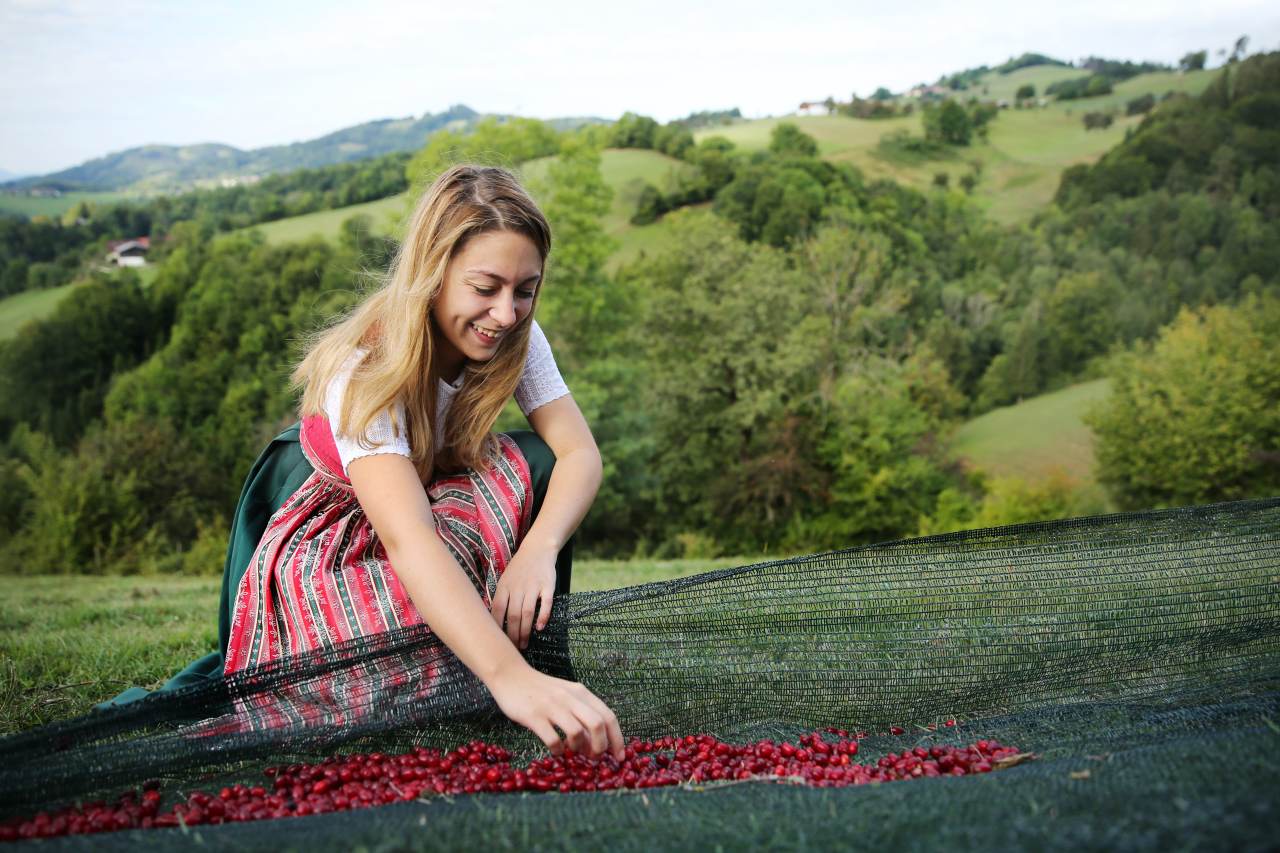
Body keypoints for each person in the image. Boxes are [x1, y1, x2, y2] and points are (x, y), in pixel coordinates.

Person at [106, 165, 624, 763]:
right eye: (485, 288)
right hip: (335, 518)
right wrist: (506, 678)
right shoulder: (366, 367)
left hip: (432, 490)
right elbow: (409, 540)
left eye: (525, 289)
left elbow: (579, 454)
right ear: (431, 275)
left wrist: (538, 551)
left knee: (536, 462)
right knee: (379, 666)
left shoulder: (518, 338)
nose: (506, 314)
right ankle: (506, 669)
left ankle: (521, 656)